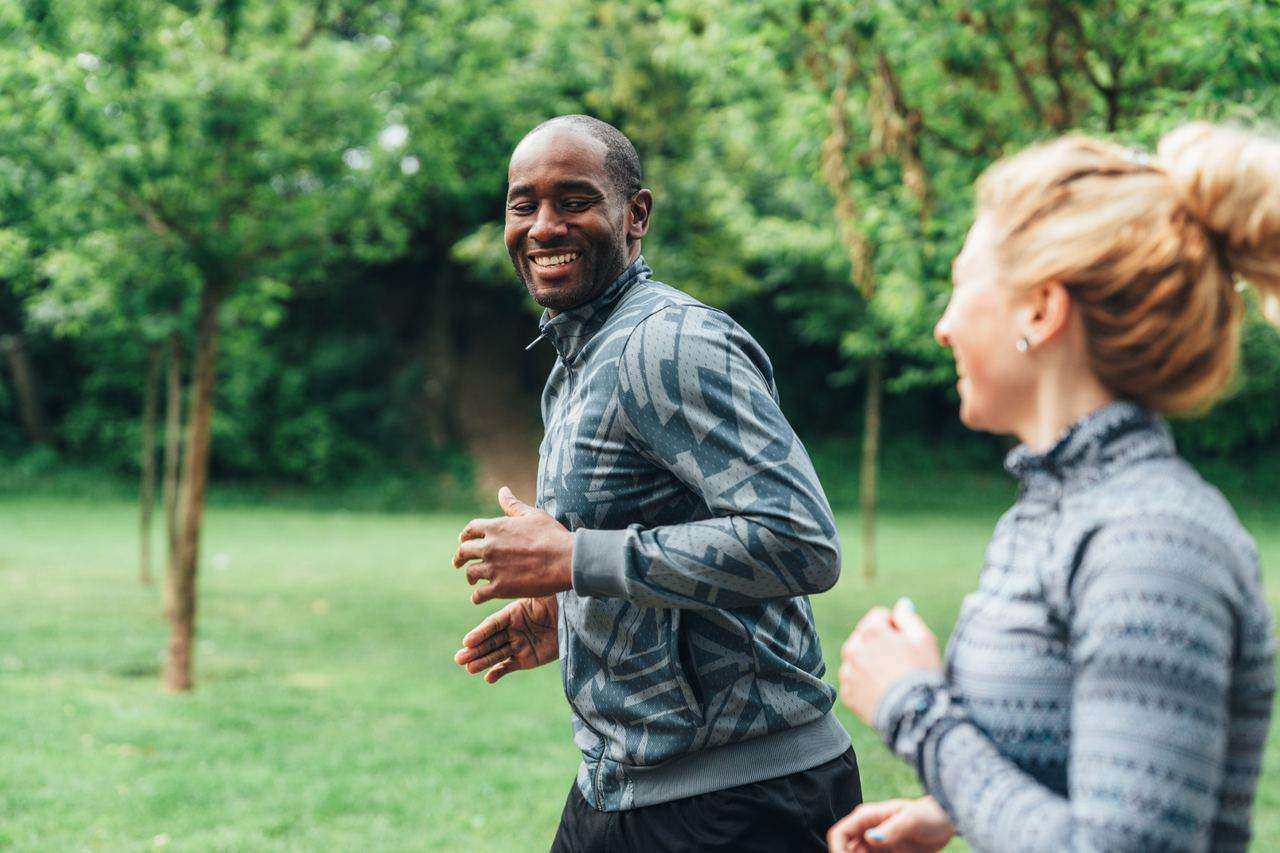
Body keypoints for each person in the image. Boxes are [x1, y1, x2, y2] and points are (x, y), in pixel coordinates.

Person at [828, 123, 1280, 853]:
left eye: (959, 285)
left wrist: (915, 708)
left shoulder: (1152, 541)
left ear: (1040, 310)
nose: (942, 328)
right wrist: (953, 811)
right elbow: (1089, 764)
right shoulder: (1054, 512)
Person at [451, 115, 859, 851]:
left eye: (573, 200)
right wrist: (573, 608)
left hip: (742, 803)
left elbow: (799, 541)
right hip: (620, 785)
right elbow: (647, 529)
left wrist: (579, 560)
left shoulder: (671, 344)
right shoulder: (576, 359)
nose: (543, 226)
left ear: (635, 215)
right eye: (523, 204)